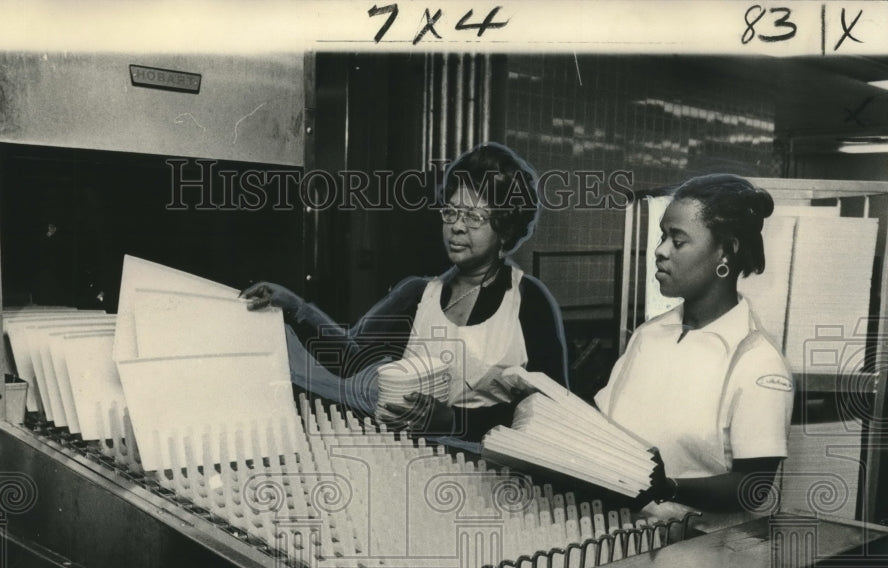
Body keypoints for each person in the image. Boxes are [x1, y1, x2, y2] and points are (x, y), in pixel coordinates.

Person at [242, 143, 569, 446]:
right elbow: (351, 360)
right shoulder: (416, 294)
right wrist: (297, 308)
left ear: (506, 228)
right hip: (414, 454)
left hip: (492, 467)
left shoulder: (527, 303)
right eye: (450, 212)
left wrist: (455, 420)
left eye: (474, 217)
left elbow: (550, 409)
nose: (456, 226)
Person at [595, 173, 792, 523]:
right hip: (619, 539)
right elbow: (605, 427)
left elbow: (753, 486)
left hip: (702, 556)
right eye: (662, 236)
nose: (659, 251)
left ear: (726, 250)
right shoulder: (648, 336)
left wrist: (668, 487)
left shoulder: (758, 362)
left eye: (678, 240)